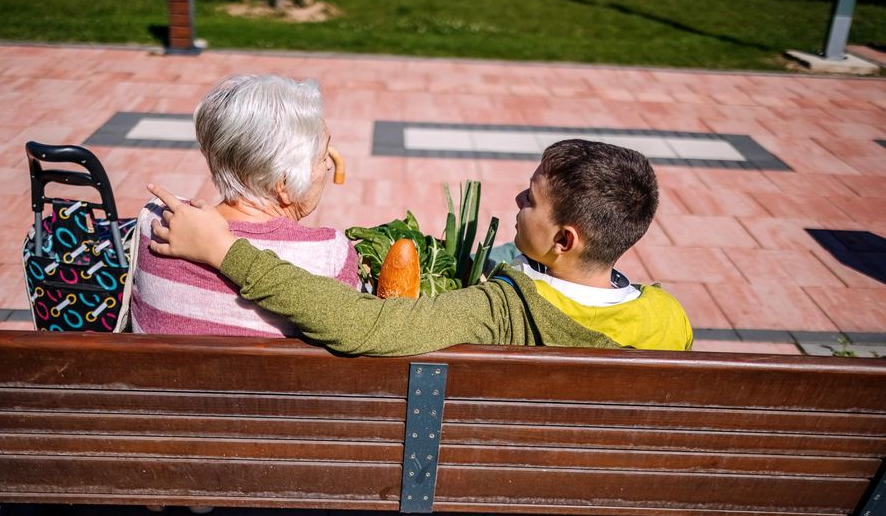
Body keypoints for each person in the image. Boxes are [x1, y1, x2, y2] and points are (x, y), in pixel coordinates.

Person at [145, 139, 693, 355]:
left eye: (532, 199)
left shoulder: (505, 311)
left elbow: (364, 326)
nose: (517, 197)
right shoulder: (670, 320)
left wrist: (224, 251)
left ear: (563, 240)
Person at [131, 74, 359, 336]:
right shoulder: (328, 254)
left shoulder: (158, 222)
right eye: (322, 157)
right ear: (283, 184)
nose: (329, 164)